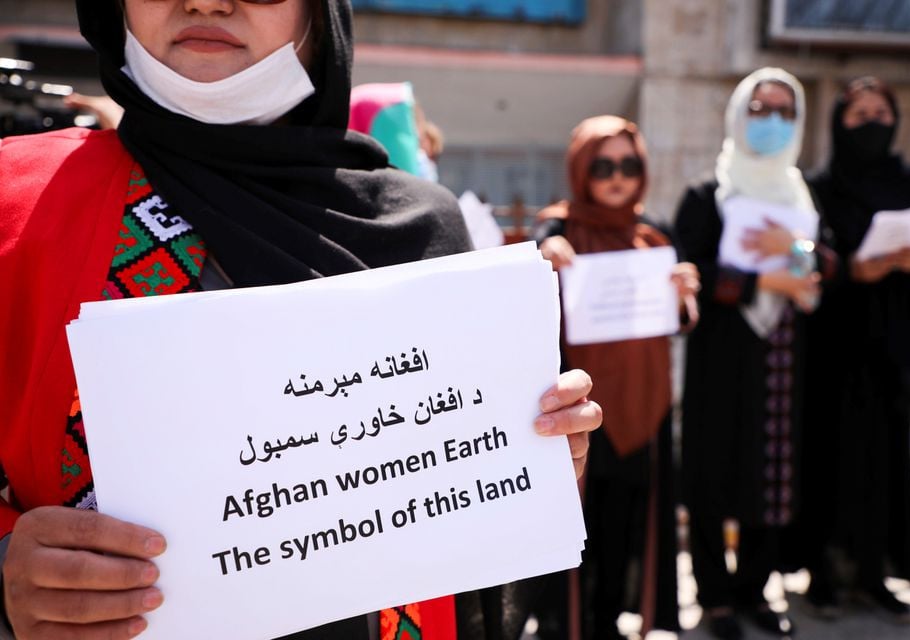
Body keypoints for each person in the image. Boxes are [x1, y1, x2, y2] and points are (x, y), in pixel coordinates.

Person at [0, 2, 602, 639]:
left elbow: (465, 550)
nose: (207, 0)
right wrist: (8, 568)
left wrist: (528, 455)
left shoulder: (419, 227)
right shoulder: (20, 202)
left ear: (320, 15)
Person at [674, 68, 837, 640]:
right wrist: (763, 282)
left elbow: (825, 264)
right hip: (722, 358)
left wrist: (794, 251)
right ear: (739, 114)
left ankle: (755, 591)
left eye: (784, 112)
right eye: (760, 109)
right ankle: (716, 598)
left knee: (771, 475)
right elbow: (690, 269)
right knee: (713, 473)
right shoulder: (706, 193)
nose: (771, 122)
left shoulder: (799, 191)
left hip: (782, 361)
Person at [796, 76, 910, 623]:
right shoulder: (818, 187)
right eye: (858, 113)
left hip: (888, 352)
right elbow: (807, 260)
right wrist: (848, 271)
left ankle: (873, 575)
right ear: (837, 123)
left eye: (881, 112)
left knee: (882, 467)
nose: (871, 123)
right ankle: (820, 574)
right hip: (830, 352)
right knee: (825, 461)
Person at [533, 115, 699, 639]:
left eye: (629, 164)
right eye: (602, 165)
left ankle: (609, 622)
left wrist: (682, 292)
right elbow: (522, 311)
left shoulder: (654, 232)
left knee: (627, 525)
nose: (617, 176)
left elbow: (678, 317)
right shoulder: (556, 228)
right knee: (575, 526)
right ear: (581, 169)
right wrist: (541, 264)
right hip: (576, 412)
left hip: (642, 407)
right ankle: (567, 626)